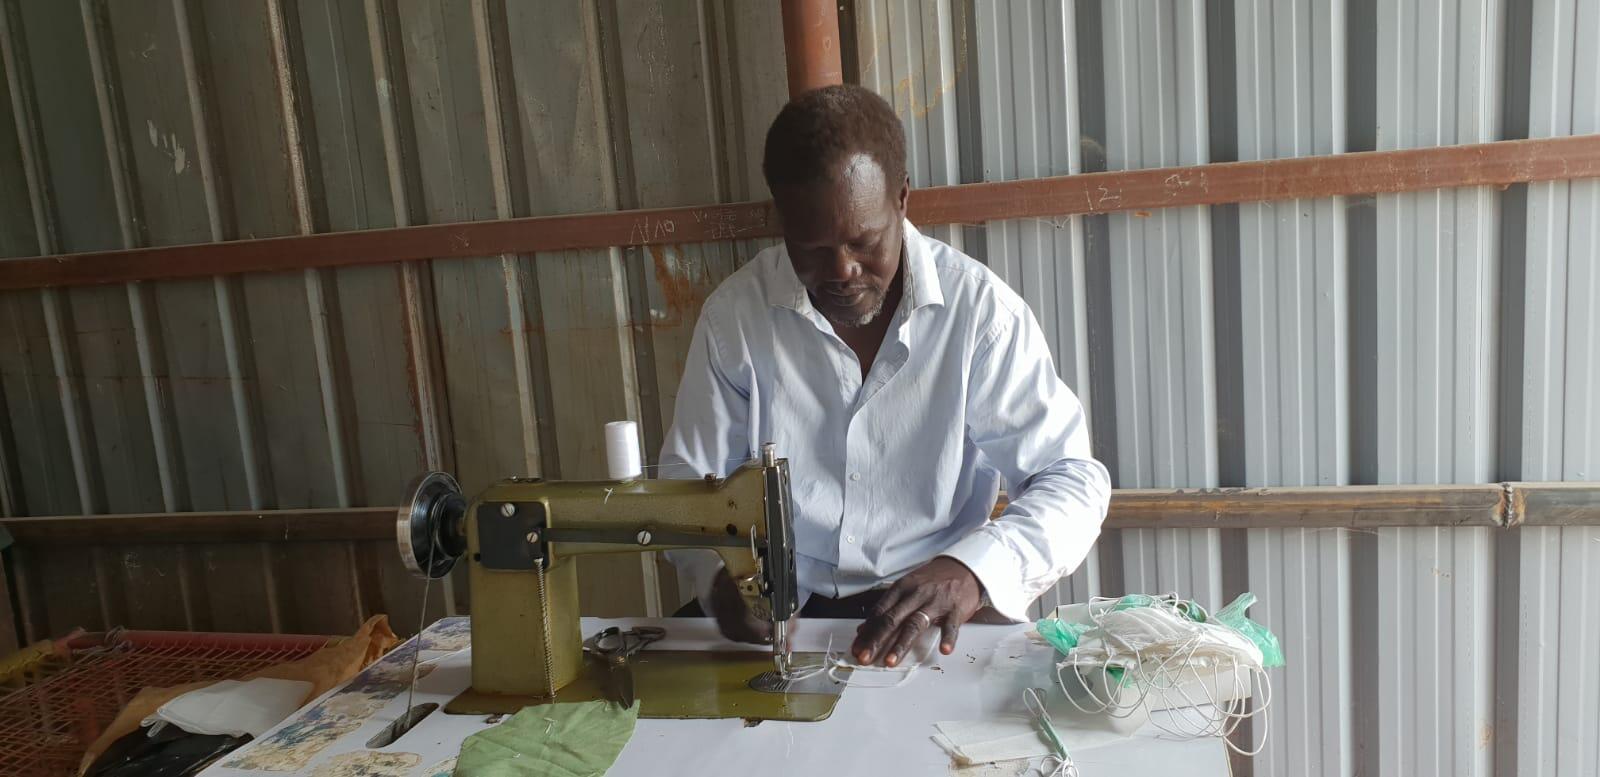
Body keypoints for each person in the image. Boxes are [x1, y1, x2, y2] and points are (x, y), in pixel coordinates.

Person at [660, 84, 1110, 668]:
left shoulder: (979, 316)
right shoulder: (736, 320)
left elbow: (1072, 479)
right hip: (783, 619)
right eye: (812, 249)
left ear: (901, 199)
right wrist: (719, 578)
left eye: (864, 241)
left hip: (931, 611)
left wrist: (975, 570)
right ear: (783, 221)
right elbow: (688, 484)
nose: (842, 271)